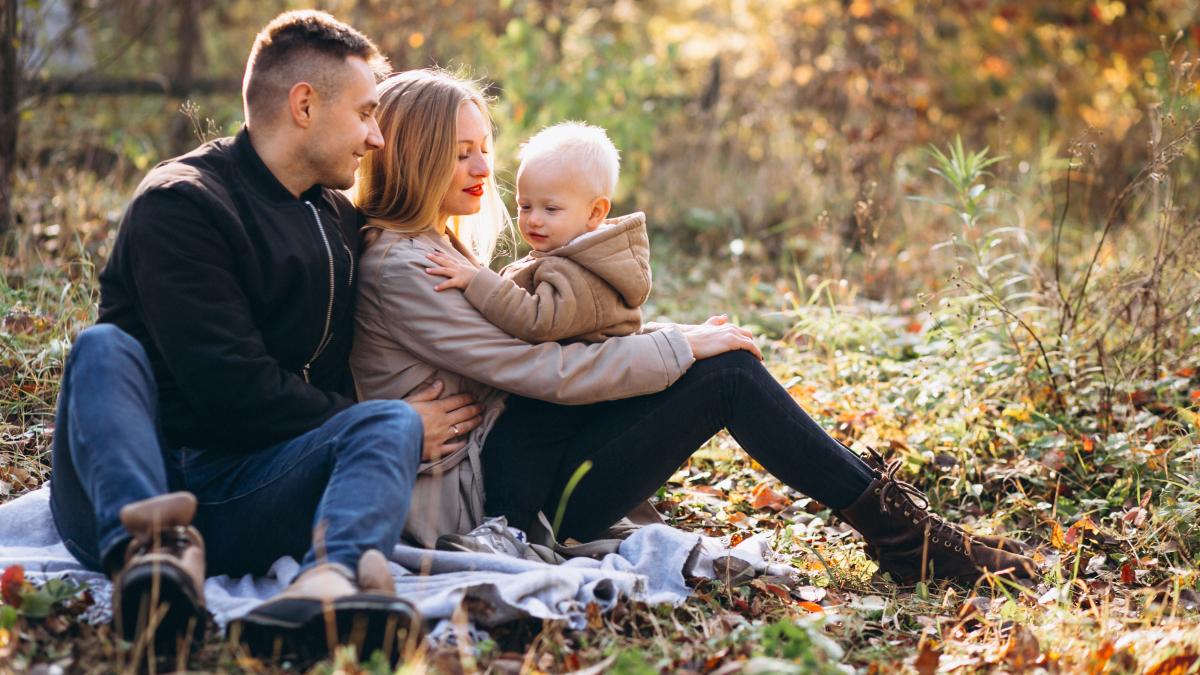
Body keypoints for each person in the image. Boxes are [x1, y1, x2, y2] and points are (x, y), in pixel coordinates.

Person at [350, 68, 1038, 587]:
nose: (482, 168)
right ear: (415, 155)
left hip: (520, 459)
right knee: (726, 375)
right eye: (460, 152)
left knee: (724, 366)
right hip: (489, 501)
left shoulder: (436, 246)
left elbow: (545, 346)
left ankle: (905, 532)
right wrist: (677, 345)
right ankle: (907, 538)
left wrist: (678, 340)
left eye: (483, 148)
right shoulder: (404, 265)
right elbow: (540, 369)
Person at [48, 11, 480, 661]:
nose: (376, 138)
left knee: (389, 420)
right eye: (366, 114)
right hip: (132, 484)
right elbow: (234, 390)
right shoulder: (182, 203)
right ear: (304, 105)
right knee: (102, 348)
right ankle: (155, 562)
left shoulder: (337, 218)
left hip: (248, 492)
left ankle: (327, 586)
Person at [425, 121, 650, 344]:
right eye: (525, 206)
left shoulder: (584, 275)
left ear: (594, 212)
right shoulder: (567, 258)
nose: (533, 220)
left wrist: (477, 281)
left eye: (550, 209)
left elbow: (538, 322)